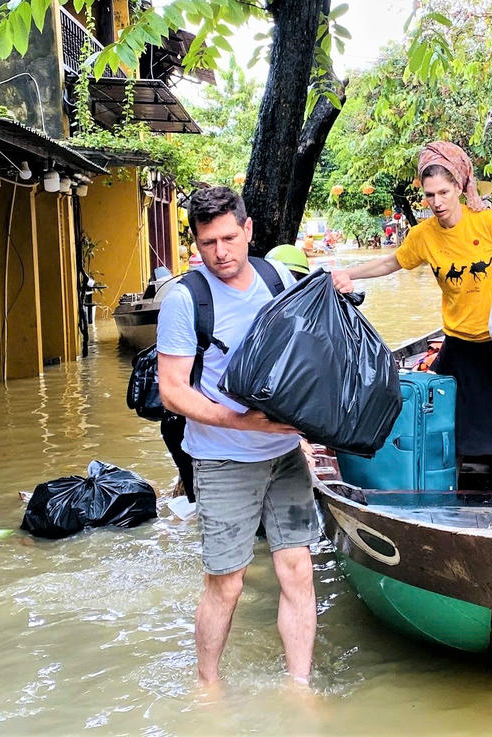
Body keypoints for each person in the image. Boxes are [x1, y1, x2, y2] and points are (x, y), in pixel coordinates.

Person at [155, 187, 315, 688]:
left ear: (248, 230)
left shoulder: (278, 277)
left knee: (298, 571)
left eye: (229, 237)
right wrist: (242, 422)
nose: (221, 252)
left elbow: (304, 357)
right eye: (208, 243)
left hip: (285, 454)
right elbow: (172, 392)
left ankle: (299, 687)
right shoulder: (185, 299)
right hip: (223, 458)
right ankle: (208, 688)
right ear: (195, 244)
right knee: (227, 584)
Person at [332, 141, 492, 491]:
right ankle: (445, 505)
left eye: (444, 192)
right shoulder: (423, 235)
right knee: (445, 429)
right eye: (430, 195)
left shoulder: (487, 222)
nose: (437, 202)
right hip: (459, 347)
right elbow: (390, 262)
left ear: (459, 187)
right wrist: (348, 274)